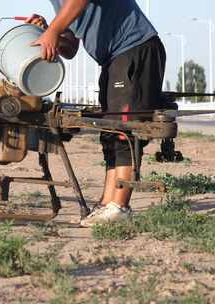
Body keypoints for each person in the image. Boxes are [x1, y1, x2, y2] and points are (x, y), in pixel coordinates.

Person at [26, 0, 166, 227]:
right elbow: (70, 48)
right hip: (113, 58)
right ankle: (107, 204)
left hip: (134, 47)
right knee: (110, 132)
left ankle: (120, 207)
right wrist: (49, 31)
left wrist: (53, 29)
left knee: (124, 131)